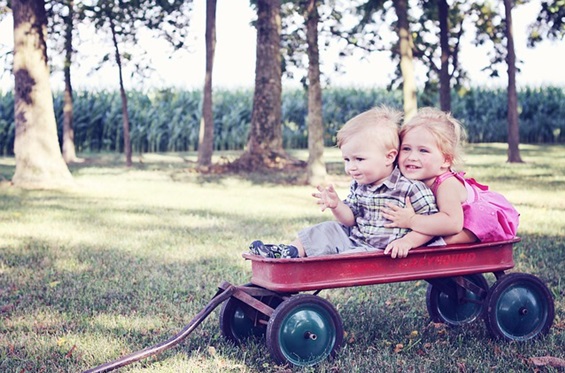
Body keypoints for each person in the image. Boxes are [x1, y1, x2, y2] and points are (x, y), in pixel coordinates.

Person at [249, 106, 439, 259]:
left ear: (389, 157)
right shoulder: (359, 184)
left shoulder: (410, 189)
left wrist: (408, 242)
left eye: (359, 159)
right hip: (355, 239)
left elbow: (431, 226)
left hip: (380, 252)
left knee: (344, 259)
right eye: (347, 160)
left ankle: (311, 264)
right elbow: (351, 220)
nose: (351, 168)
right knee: (327, 228)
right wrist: (337, 205)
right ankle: (290, 253)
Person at [382, 107, 519, 244]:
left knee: (442, 238)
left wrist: (411, 220)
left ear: (446, 160)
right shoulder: (411, 177)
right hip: (451, 219)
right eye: (406, 149)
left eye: (423, 151)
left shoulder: (447, 186)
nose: (412, 157)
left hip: (478, 220)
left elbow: (452, 223)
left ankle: (435, 246)